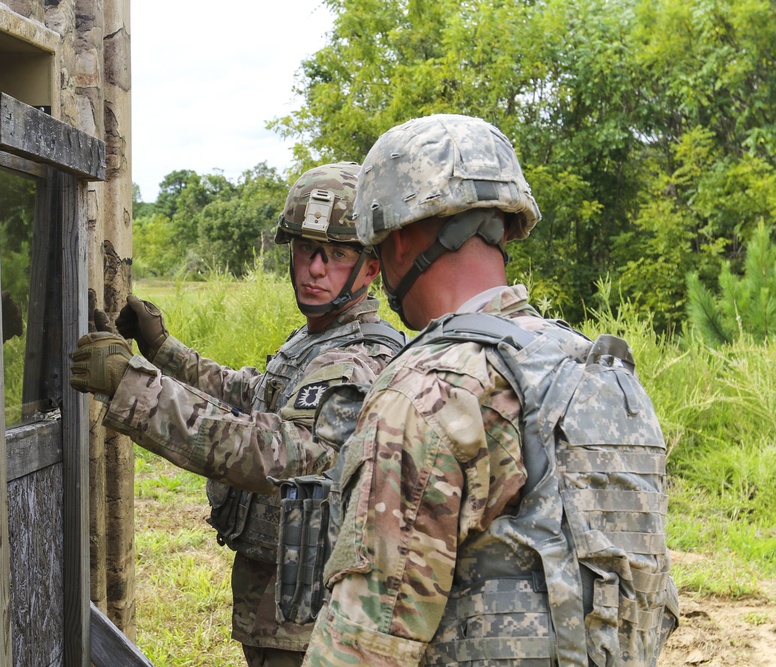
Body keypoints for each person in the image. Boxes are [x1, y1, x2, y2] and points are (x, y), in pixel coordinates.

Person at [301, 115, 679, 666]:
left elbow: (365, 646)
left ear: (399, 238)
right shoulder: (593, 368)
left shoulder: (426, 392)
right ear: (503, 226)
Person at [69, 162, 407, 666]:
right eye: (305, 250)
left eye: (337, 255)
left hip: (310, 624)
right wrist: (162, 350)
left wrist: (131, 386)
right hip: (280, 606)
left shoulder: (359, 357)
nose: (315, 268)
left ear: (371, 269)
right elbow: (254, 396)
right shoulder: (318, 337)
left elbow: (278, 453)